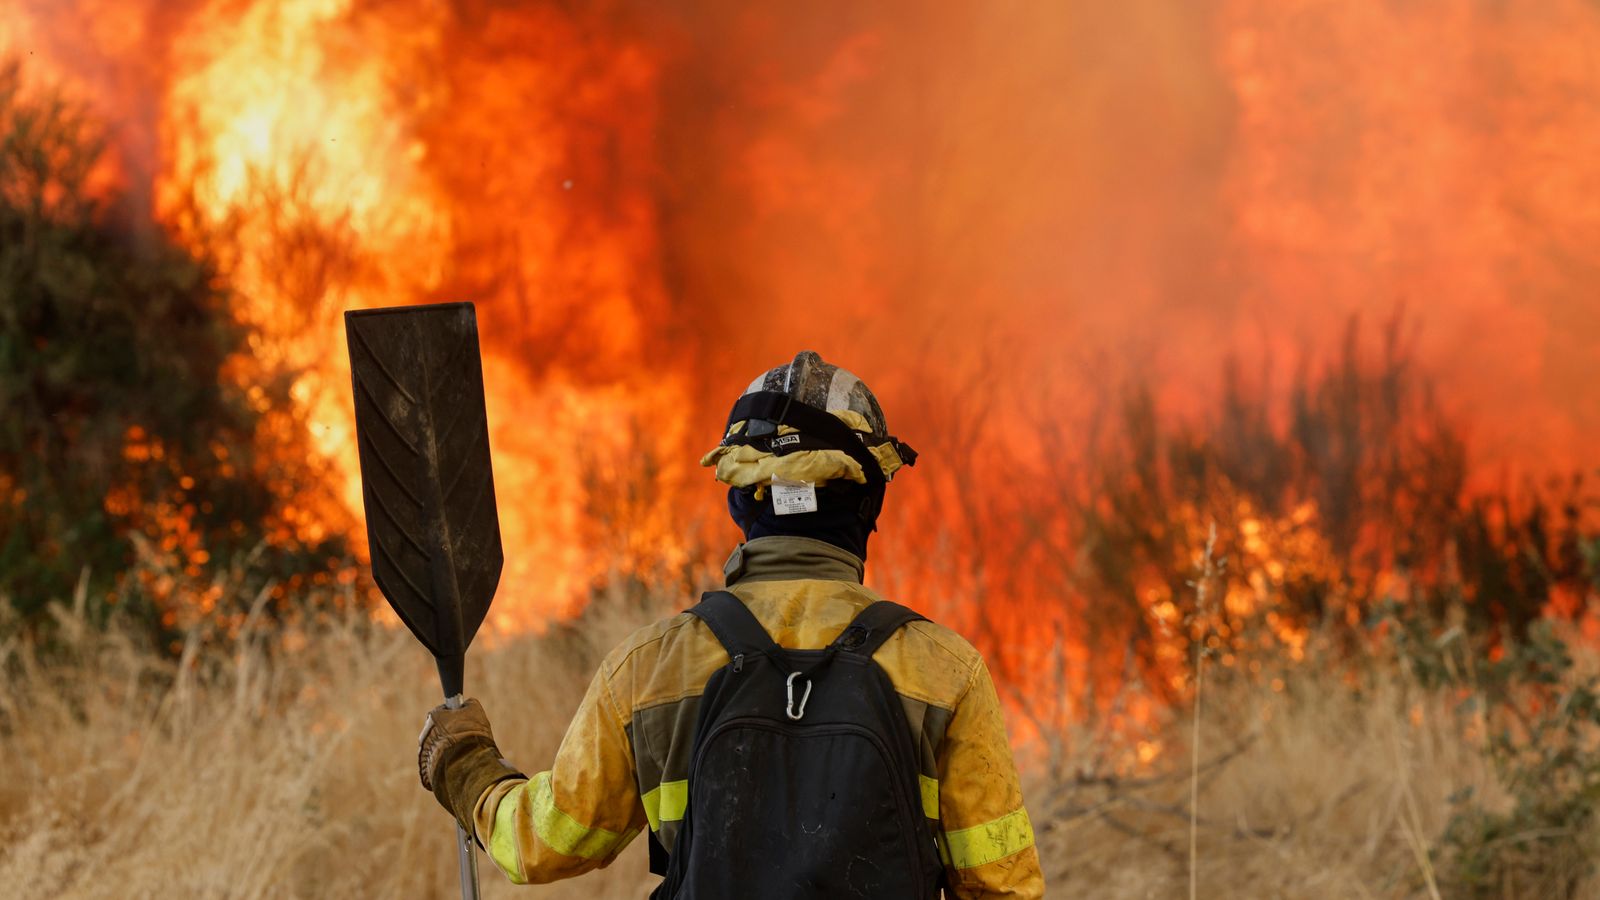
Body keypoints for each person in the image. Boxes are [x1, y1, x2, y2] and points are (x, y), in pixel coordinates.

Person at [418, 351, 1045, 897]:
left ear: (740, 501)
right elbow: (1002, 886)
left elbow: (544, 844)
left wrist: (467, 765)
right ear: (869, 503)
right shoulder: (944, 671)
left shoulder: (653, 668)